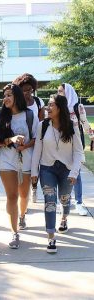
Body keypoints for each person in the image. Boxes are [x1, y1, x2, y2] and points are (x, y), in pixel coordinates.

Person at [31, 94, 84, 253]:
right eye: (48, 104)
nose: (48, 107)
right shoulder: (43, 126)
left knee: (64, 199)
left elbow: (78, 152)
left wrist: (74, 173)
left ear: (60, 108)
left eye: (51, 105)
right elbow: (37, 151)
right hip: (47, 169)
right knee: (50, 200)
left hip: (67, 170)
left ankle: (64, 218)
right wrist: (34, 171)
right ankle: (51, 237)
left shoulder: (72, 126)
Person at [0, 83, 38, 249]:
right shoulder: (1, 117)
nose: (5, 98)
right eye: (4, 96)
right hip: (7, 161)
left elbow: (35, 138)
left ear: (17, 96)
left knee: (23, 195)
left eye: (9, 95)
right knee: (12, 196)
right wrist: (10, 140)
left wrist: (24, 145)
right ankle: (14, 232)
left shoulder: (29, 115)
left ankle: (22, 215)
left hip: (25, 161)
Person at [12, 73, 45, 228]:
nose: (27, 93)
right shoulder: (15, 103)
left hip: (36, 141)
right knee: (21, 175)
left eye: (30, 90)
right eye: (24, 90)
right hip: (19, 145)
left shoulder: (38, 102)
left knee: (34, 168)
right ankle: (23, 204)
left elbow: (42, 122)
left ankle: (33, 188)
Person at [58, 83, 94, 216]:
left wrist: (92, 137)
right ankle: (64, 202)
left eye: (61, 91)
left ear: (68, 92)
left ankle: (79, 203)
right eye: (58, 91)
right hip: (61, 145)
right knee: (62, 174)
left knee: (76, 174)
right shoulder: (58, 106)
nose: (59, 94)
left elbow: (85, 124)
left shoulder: (78, 107)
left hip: (77, 145)